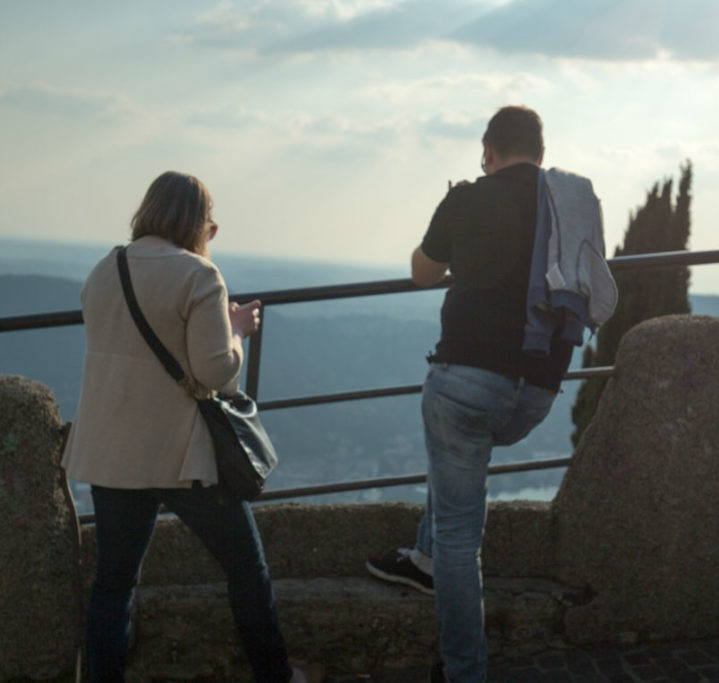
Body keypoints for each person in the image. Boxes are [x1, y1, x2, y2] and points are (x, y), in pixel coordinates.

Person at [62, 171, 323, 683]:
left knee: (114, 585)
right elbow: (216, 373)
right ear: (197, 223)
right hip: (183, 457)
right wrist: (237, 331)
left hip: (112, 452)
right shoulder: (200, 276)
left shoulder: (103, 269)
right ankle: (276, 675)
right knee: (246, 569)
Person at [365, 106, 575, 683]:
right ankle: (424, 555)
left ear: (488, 149)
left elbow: (422, 272)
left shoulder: (468, 198)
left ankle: (464, 670)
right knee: (456, 459)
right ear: (541, 149)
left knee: (462, 529)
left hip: (467, 382)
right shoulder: (568, 206)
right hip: (538, 391)